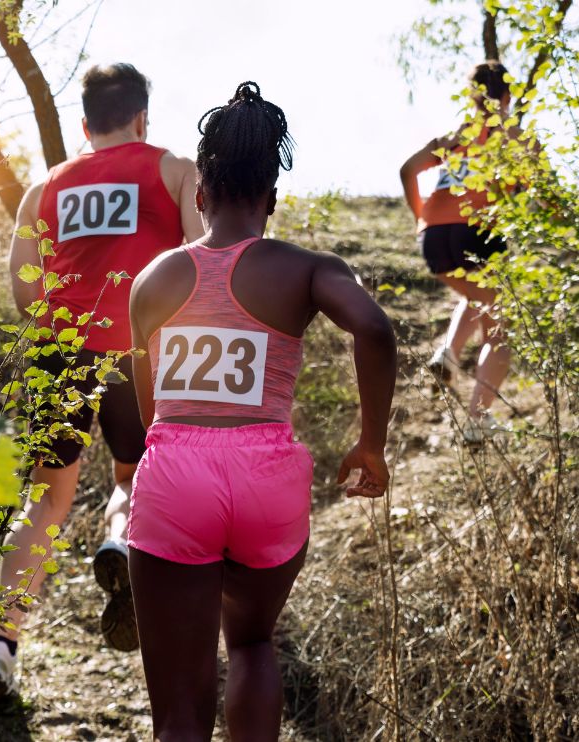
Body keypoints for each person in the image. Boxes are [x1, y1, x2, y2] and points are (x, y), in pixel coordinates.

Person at [127, 81, 397, 742]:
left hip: (176, 475)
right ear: (272, 201)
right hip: (267, 479)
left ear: (200, 195)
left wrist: (174, 458)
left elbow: (150, 406)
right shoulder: (303, 268)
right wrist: (370, 446)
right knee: (251, 646)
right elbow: (374, 329)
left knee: (179, 720)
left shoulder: (153, 279)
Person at [0, 63, 203, 700]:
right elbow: (201, 258)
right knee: (131, 475)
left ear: (83, 124)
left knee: (46, 500)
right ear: (140, 117)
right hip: (141, 351)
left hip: (59, 352)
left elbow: (24, 290)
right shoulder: (175, 171)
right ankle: (117, 541)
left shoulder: (44, 188)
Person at [400, 61, 518, 442]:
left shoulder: (456, 135)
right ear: (507, 95)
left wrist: (423, 219)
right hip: (477, 231)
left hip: (435, 238)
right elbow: (527, 196)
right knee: (499, 332)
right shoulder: (513, 135)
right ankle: (476, 422)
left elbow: (408, 170)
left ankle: (448, 354)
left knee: (480, 295)